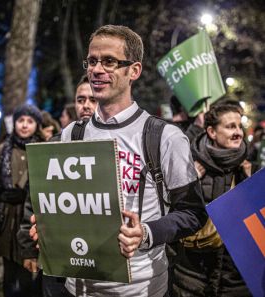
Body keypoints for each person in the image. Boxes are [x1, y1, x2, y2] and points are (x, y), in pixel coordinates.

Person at [30, 24, 207, 297]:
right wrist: (47, 226)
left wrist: (146, 233)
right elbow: (65, 207)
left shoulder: (165, 137)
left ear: (133, 71)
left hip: (138, 289)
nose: (97, 69)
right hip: (75, 286)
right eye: (92, 61)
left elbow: (193, 214)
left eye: (109, 61)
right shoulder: (70, 134)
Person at [17, 75, 97, 297]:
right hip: (57, 258)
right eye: (81, 99)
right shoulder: (54, 145)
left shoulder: (114, 145)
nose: (86, 105)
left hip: (100, 257)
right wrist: (27, 248)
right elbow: (34, 199)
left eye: (93, 99)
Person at [173, 103, 254, 297]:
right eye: (230, 126)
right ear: (211, 131)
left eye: (239, 126)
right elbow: (171, 214)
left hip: (235, 279)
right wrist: (187, 183)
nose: (238, 132)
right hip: (193, 276)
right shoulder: (189, 166)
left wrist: (251, 183)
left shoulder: (250, 168)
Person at [0, 104, 45, 297]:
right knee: (9, 276)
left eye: (30, 121)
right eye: (21, 120)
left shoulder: (43, 150)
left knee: (29, 277)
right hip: (6, 221)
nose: (25, 125)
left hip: (30, 220)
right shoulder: (3, 149)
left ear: (37, 125)